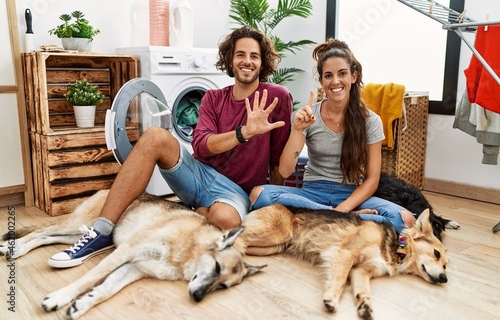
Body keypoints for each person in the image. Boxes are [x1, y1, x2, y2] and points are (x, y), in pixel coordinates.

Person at [48, 26, 293, 268]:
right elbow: (201, 147)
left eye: (254, 56)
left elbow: (277, 160)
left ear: (263, 63)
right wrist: (244, 133)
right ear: (230, 59)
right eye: (240, 54)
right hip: (199, 175)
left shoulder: (277, 97)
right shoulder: (213, 98)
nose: (247, 61)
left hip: (235, 192)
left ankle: (192, 212)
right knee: (155, 136)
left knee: (225, 220)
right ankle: (100, 233)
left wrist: (274, 210)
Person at [249, 38, 415, 233]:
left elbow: (372, 181)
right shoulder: (309, 116)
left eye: (342, 73)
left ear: (353, 76)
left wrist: (344, 207)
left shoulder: (371, 121)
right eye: (328, 75)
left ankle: (321, 218)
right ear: (321, 81)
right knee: (258, 194)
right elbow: (285, 171)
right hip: (312, 193)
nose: (335, 81)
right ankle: (346, 218)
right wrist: (297, 129)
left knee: (406, 219)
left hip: (352, 195)